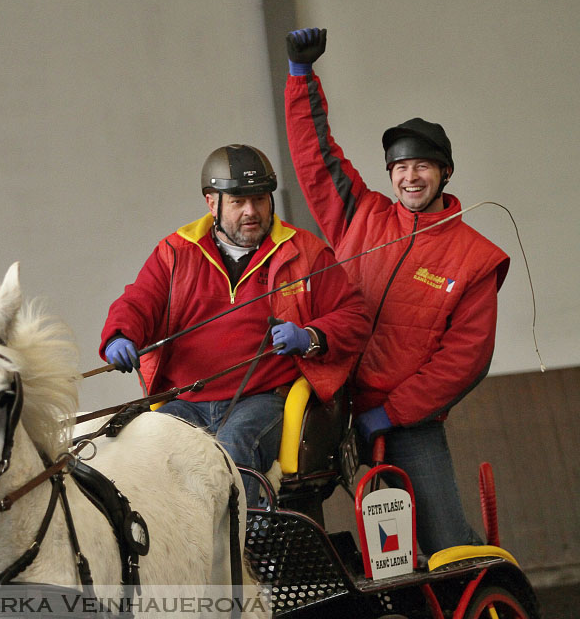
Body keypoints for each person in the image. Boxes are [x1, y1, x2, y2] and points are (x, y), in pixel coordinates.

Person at [284, 28, 511, 554]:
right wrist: (301, 77)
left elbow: (466, 360)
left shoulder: (475, 258)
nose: (410, 177)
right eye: (401, 167)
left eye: (422, 166)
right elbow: (316, 159)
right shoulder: (359, 214)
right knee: (289, 520)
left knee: (444, 544)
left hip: (402, 417)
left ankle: (484, 592)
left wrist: (393, 412)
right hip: (328, 400)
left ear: (445, 172)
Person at [99, 144, 369, 505]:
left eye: (259, 199)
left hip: (262, 399)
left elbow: (354, 315)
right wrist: (120, 334)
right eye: (238, 202)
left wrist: (310, 337)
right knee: (148, 445)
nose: (251, 212)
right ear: (212, 203)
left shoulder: (306, 251)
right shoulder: (176, 251)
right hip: (188, 400)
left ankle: (245, 552)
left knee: (231, 448)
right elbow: (139, 300)